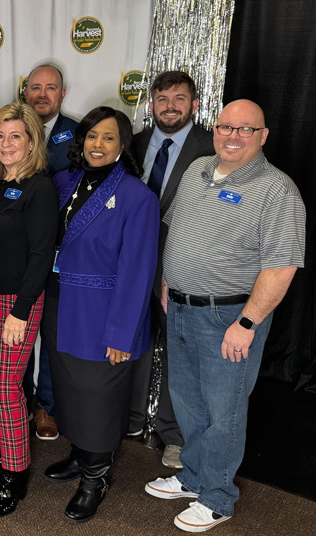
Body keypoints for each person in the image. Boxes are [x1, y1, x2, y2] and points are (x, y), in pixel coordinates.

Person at [146, 100, 305, 533]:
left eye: (245, 130)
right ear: (214, 129)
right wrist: (167, 283)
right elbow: (175, 229)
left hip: (229, 317)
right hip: (179, 308)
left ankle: (217, 496)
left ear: (263, 135)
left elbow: (281, 267)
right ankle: (194, 475)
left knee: (224, 412)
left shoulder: (277, 190)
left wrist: (248, 323)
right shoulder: (199, 168)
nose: (232, 136)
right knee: (189, 402)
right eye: (225, 127)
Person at [42, 106, 159, 524]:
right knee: (70, 389)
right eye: (91, 136)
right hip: (59, 306)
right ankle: (79, 454)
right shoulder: (62, 182)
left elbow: (139, 270)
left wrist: (121, 334)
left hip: (104, 314)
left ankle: (95, 478)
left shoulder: (137, 197)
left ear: (123, 145)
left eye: (108, 137)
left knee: (99, 397)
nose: (97, 144)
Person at [0, 103, 58, 518]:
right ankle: (6, 460)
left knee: (6, 389)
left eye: (15, 136)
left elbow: (42, 255)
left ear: (31, 142)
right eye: (0, 136)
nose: (6, 144)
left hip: (16, 302)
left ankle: (16, 476)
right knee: (0, 385)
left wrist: (20, 311)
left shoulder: (39, 187)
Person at [129, 71, 214, 468]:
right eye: (162, 99)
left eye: (179, 99)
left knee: (178, 350)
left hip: (179, 262)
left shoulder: (211, 146)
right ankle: (129, 418)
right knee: (130, 337)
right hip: (131, 259)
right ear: (152, 104)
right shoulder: (136, 141)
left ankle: (174, 434)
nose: (170, 106)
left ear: (194, 104)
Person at [23, 63, 79, 441]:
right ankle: (17, 401)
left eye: (51, 87)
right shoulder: (8, 129)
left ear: (62, 94)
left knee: (53, 336)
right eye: (36, 87)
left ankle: (46, 407)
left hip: (62, 254)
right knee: (17, 331)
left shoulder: (78, 135)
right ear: (24, 92)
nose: (43, 94)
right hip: (16, 253)